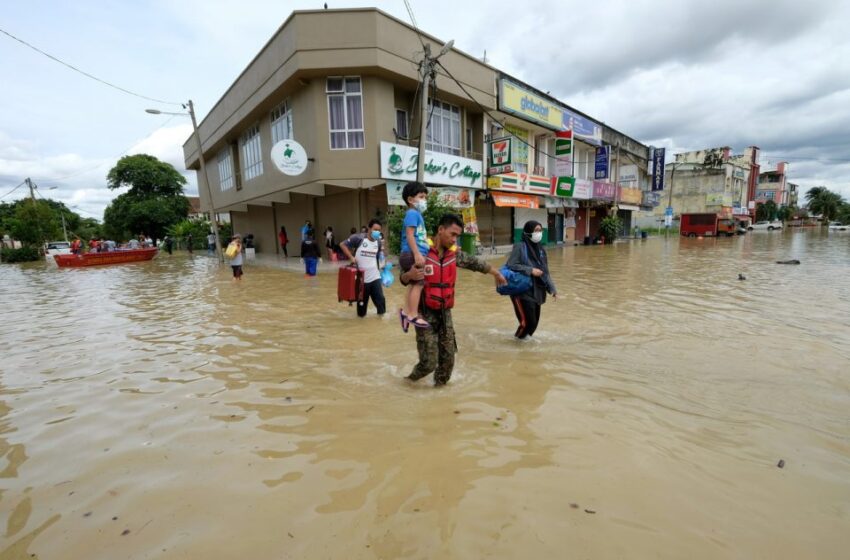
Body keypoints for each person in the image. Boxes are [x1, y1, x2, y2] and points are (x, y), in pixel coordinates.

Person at [401, 213, 506, 386]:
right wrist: (409, 275)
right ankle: (407, 383)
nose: (455, 240)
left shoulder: (454, 254)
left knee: (447, 363)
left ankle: (438, 400)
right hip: (425, 314)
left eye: (458, 236)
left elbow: (475, 263)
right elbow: (404, 280)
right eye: (453, 234)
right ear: (441, 230)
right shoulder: (421, 252)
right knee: (428, 363)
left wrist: (496, 273)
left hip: (445, 314)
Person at [506, 220, 558, 339]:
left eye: (540, 230)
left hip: (537, 291)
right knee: (527, 323)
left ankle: (524, 346)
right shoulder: (520, 246)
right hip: (522, 291)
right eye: (536, 231)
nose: (539, 233)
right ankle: (516, 344)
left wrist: (552, 289)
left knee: (534, 325)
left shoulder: (541, 250)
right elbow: (511, 265)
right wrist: (531, 270)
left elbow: (546, 272)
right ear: (528, 232)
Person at [398, 181, 431, 331]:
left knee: (413, 284)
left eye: (425, 197)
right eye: (421, 196)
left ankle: (405, 312)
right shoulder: (412, 213)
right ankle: (412, 314)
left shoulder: (415, 214)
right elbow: (410, 235)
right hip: (412, 255)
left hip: (411, 254)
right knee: (419, 284)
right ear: (410, 200)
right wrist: (417, 254)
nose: (424, 200)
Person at [340, 218, 386, 318]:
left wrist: (383, 271)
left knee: (381, 304)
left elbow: (377, 259)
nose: (377, 232)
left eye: (379, 230)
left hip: (375, 278)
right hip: (361, 281)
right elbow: (342, 244)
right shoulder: (358, 238)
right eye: (375, 229)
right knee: (361, 312)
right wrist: (351, 257)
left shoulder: (378, 242)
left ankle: (380, 323)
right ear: (369, 228)